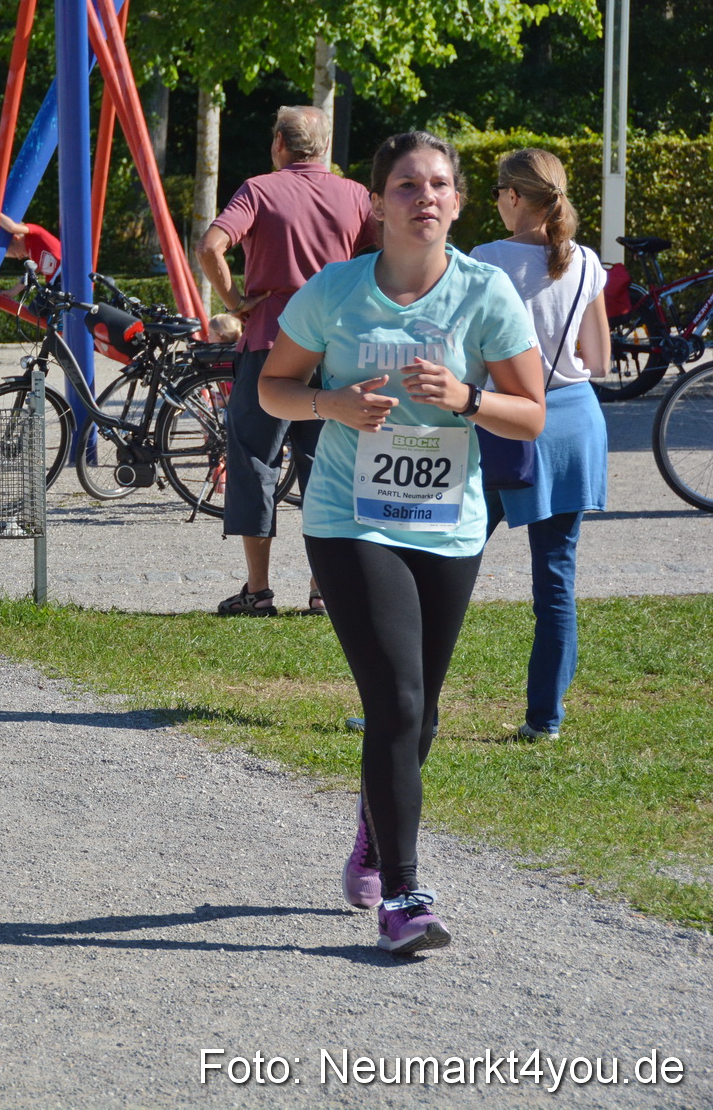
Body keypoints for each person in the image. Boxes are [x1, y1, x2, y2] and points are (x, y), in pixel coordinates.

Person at [258, 130, 544, 954]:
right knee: (398, 699)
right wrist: (332, 406)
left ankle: (374, 828)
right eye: (408, 185)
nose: (426, 197)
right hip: (352, 517)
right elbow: (275, 388)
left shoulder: (484, 293)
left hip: (448, 523)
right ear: (378, 201)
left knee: (418, 718)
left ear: (458, 202)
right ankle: (405, 897)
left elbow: (532, 411)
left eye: (441, 185)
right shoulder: (336, 292)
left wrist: (465, 397)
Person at [198, 105, 377, 616]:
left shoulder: (259, 190)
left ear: (279, 143)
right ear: (324, 148)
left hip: (270, 342)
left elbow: (210, 247)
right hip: (337, 347)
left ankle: (258, 591)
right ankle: (325, 590)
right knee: (327, 463)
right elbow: (383, 258)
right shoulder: (356, 196)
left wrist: (234, 302)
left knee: (255, 459)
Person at [470, 149, 611, 743]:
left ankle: (400, 710)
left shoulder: (484, 261)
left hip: (504, 423)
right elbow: (598, 360)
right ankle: (544, 722)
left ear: (514, 197)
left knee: (439, 569)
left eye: (498, 190)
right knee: (556, 580)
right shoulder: (584, 263)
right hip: (575, 422)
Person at [0, 214, 63, 282]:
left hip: (62, 270)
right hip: (54, 281)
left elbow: (12, 228)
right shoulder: (32, 253)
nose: (19, 258)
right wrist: (11, 292)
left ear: (16, 238)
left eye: (14, 254)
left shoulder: (34, 233)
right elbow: (29, 277)